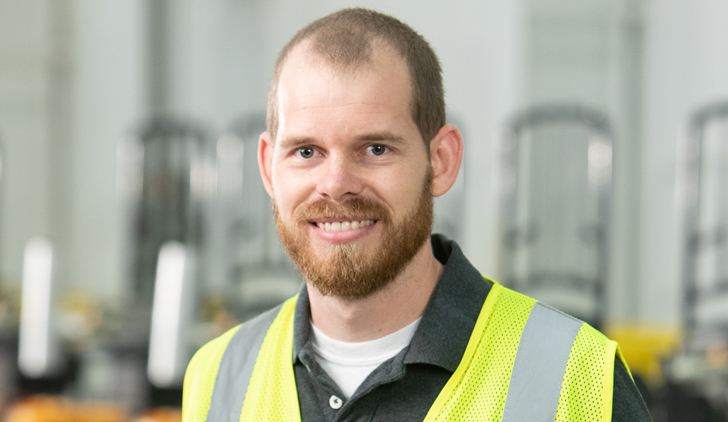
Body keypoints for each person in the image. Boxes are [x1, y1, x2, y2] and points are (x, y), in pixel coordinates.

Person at [182, 8, 652, 422]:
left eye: (375, 148)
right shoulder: (216, 377)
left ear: (441, 162)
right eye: (306, 151)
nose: (335, 183)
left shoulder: (576, 379)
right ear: (268, 167)